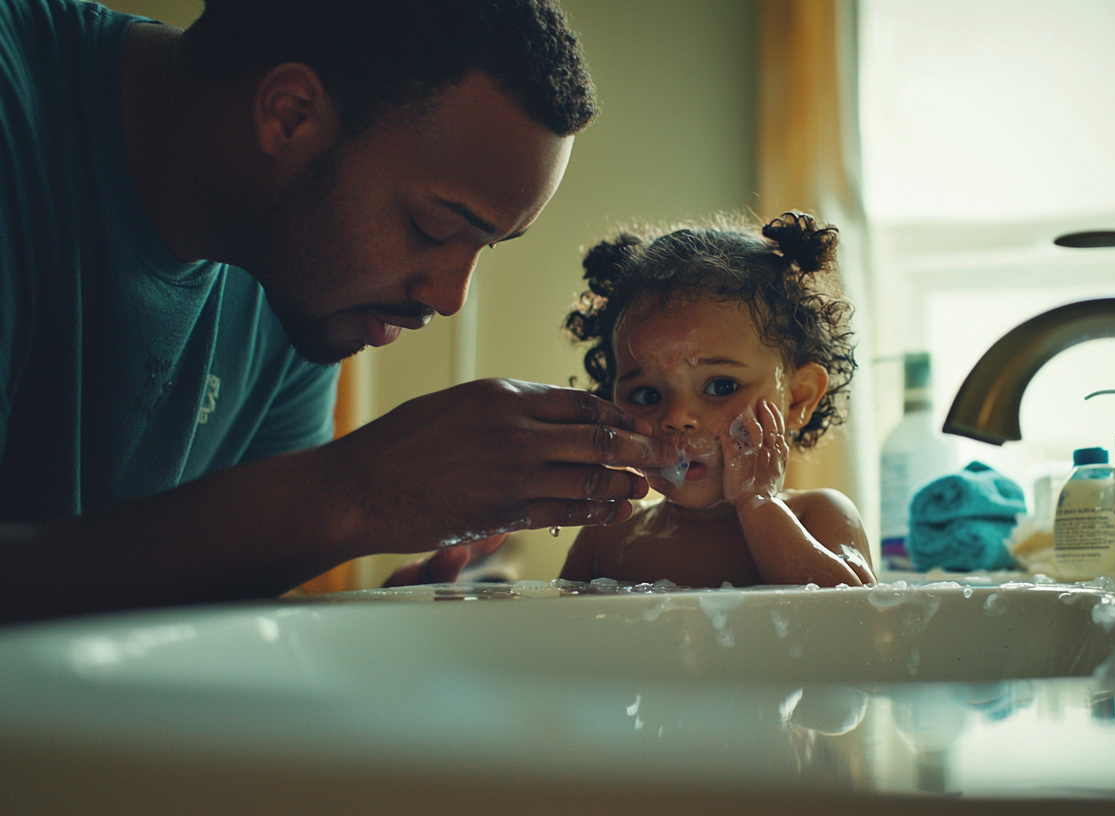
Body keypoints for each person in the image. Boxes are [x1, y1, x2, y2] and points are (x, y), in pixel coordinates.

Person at [0, 0, 677, 624]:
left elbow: (189, 615)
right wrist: (355, 494)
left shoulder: (301, 286)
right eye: (434, 229)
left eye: (486, 247)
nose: (450, 296)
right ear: (289, 114)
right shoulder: (18, 116)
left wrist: (358, 636)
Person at [557, 213, 875, 587]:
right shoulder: (607, 537)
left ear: (797, 398)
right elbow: (554, 641)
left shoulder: (817, 515)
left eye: (721, 386)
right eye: (646, 395)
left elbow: (854, 620)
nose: (677, 418)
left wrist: (758, 504)